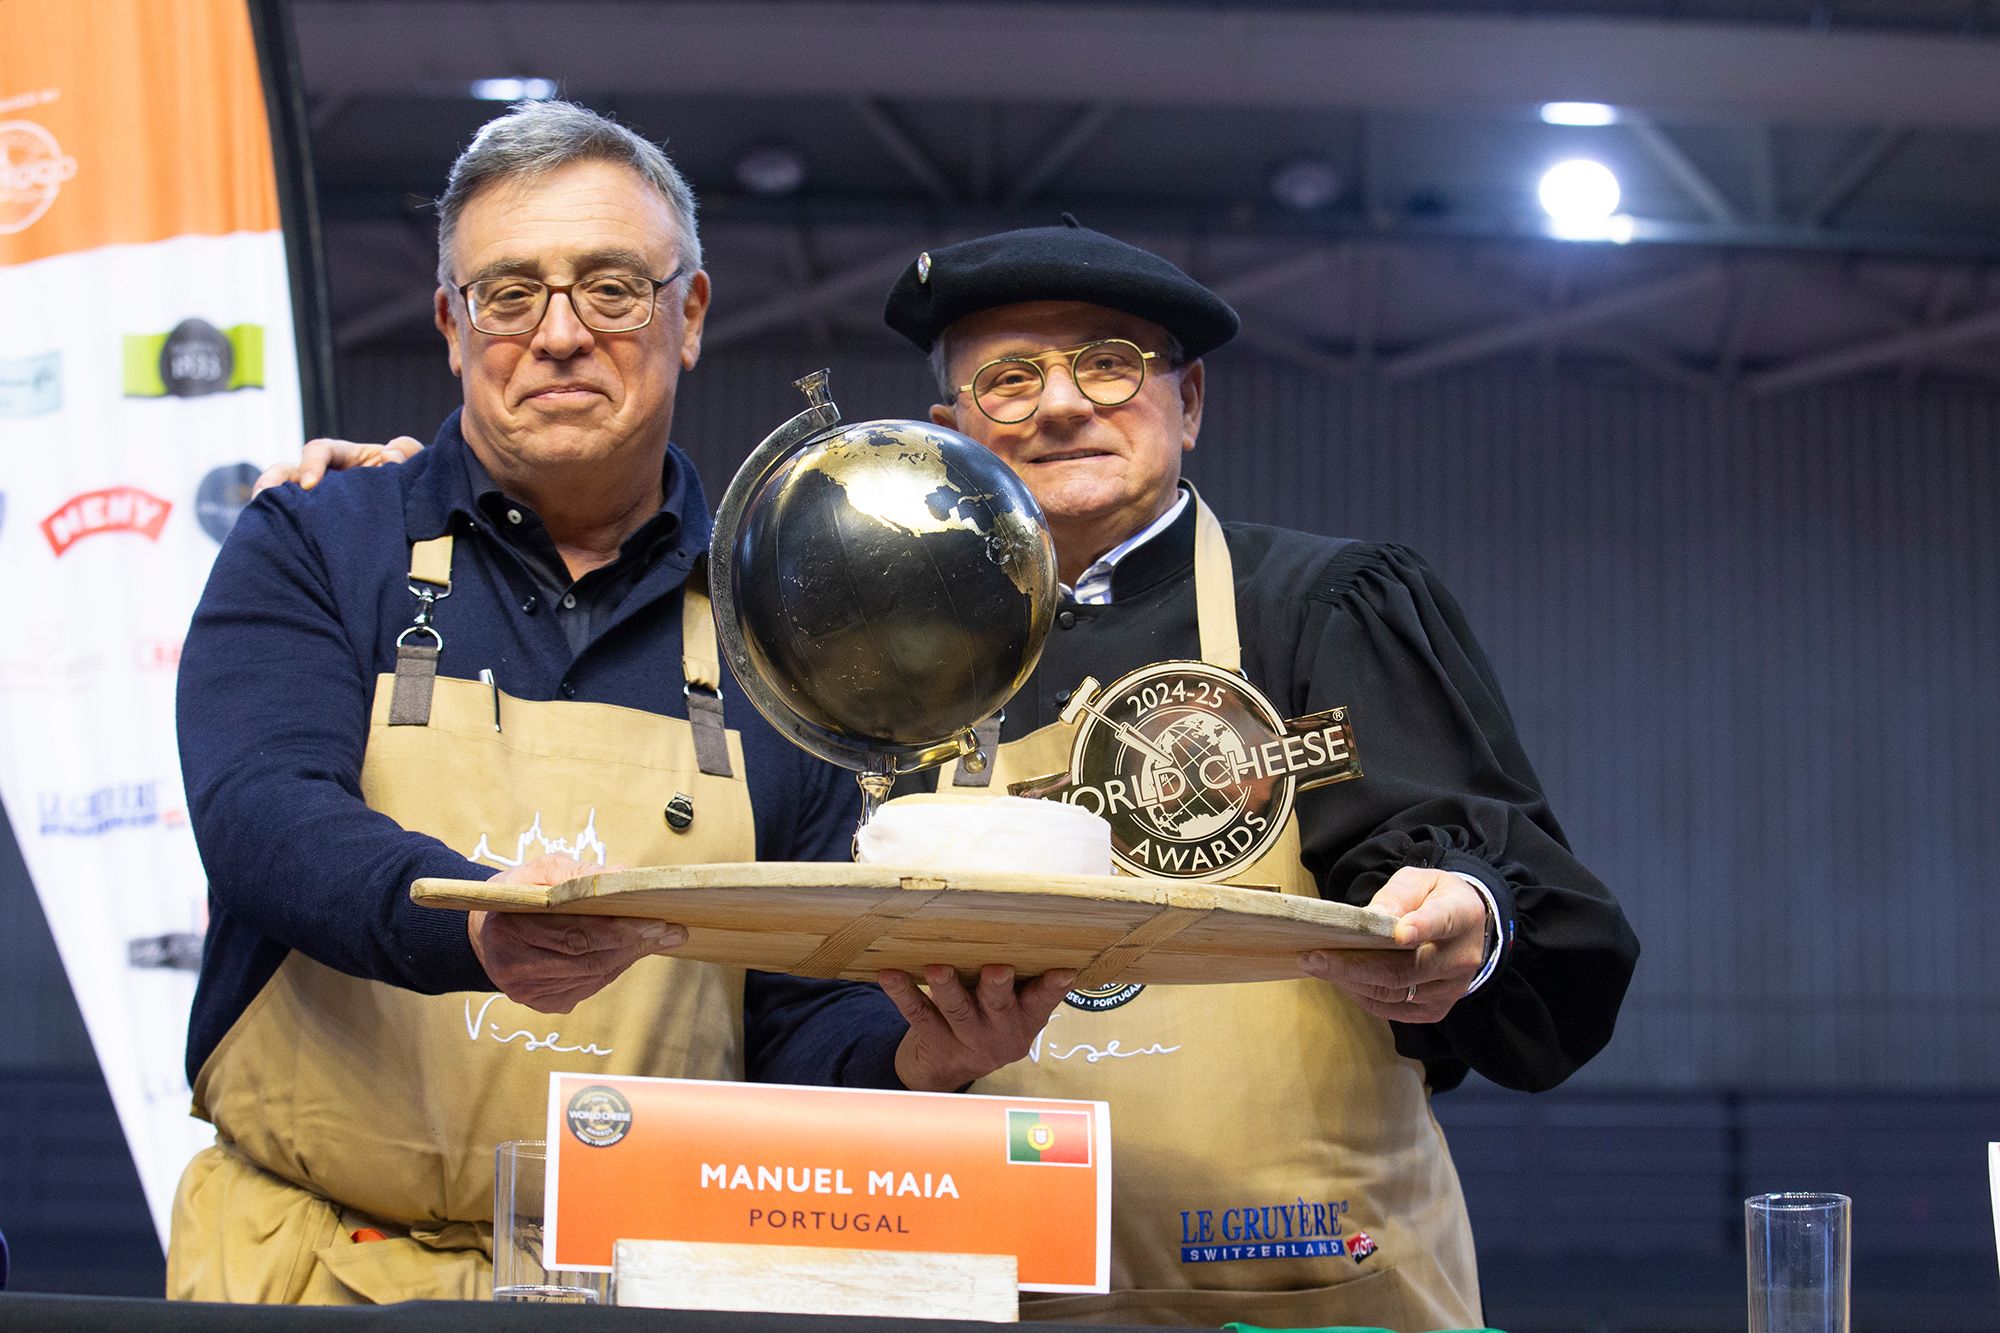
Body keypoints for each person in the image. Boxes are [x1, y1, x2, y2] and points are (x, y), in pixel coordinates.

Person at [170, 101, 1068, 1305]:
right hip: (312, 1272)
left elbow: (790, 1025)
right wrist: (473, 927)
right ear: (449, 324)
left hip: (653, 1283)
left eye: (609, 288)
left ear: (687, 316)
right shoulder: (315, 542)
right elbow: (263, 815)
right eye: (507, 292)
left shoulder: (787, 624)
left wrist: (918, 1055)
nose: (556, 336)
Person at [873, 219, 1641, 1330]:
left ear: (1188, 402)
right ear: (950, 435)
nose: (1057, 405)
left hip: (1313, 1292)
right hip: (997, 1292)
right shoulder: (902, 668)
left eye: (1106, 363)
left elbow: (1486, 872)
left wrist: (1463, 916)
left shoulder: (1327, 605)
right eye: (1006, 380)